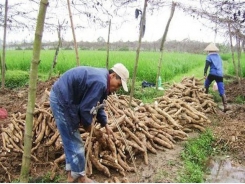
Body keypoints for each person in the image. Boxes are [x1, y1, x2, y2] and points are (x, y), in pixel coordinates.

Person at [49, 63, 129, 183]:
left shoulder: (103, 80)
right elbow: (85, 109)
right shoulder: (101, 82)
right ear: (112, 75)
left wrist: (105, 124)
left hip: (66, 98)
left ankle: (72, 175)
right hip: (62, 100)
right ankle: (82, 178)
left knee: (70, 139)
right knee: (75, 141)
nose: (116, 89)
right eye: (118, 85)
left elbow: (98, 104)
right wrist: (89, 127)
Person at [203, 43, 229, 112]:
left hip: (212, 74)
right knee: (221, 90)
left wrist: (205, 73)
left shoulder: (209, 56)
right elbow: (220, 65)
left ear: (209, 51)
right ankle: (225, 106)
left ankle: (205, 100)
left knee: (206, 84)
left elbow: (206, 66)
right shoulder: (218, 56)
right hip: (220, 75)